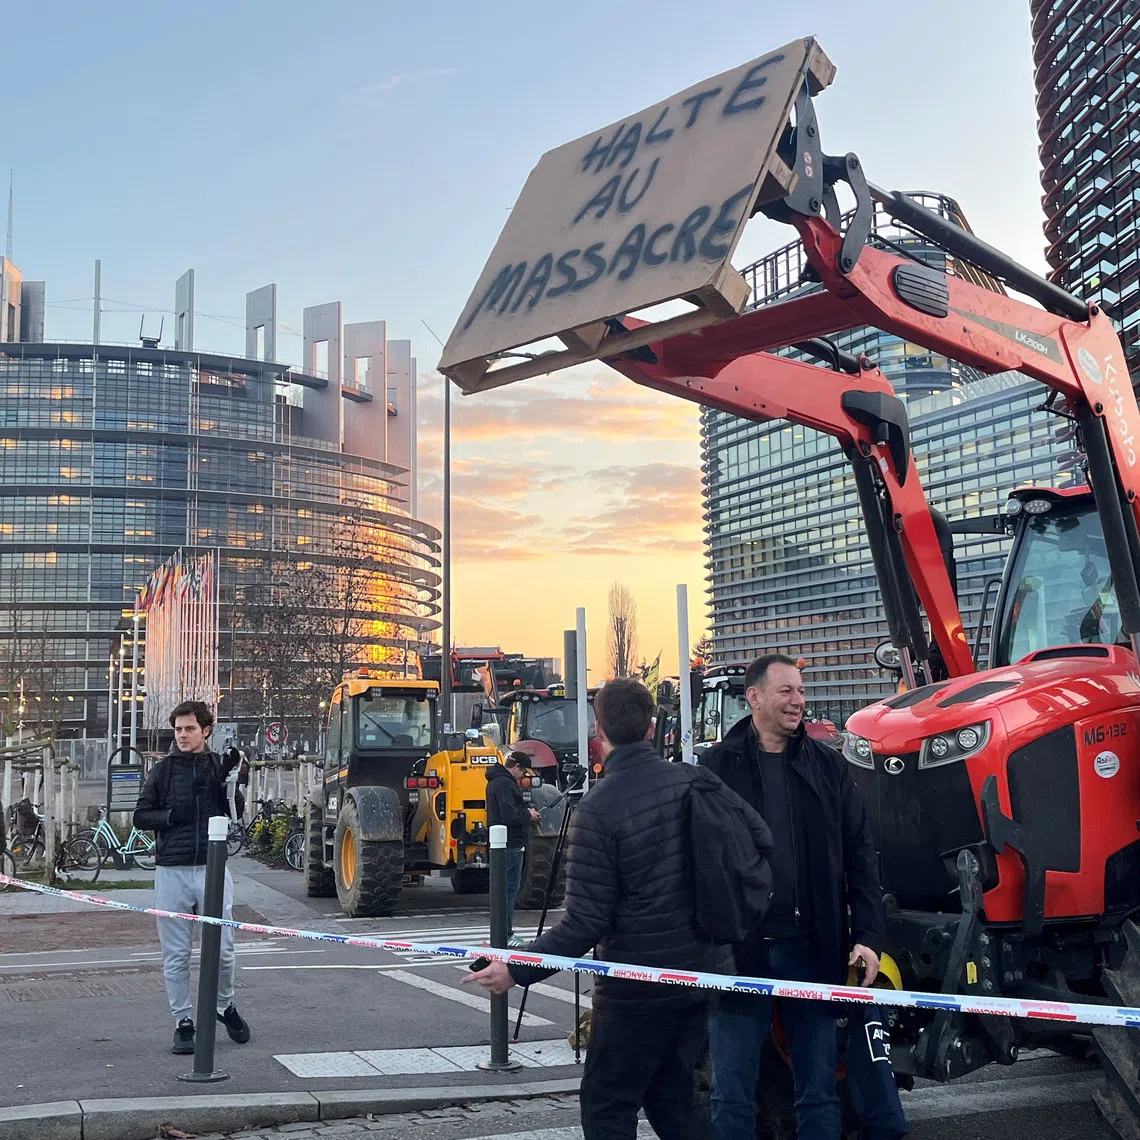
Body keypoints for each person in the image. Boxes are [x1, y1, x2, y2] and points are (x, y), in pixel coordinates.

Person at [466, 678, 741, 1140]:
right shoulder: (696, 781)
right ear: (653, 726)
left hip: (635, 986)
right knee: (674, 1100)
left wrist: (516, 970)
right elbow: (756, 847)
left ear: (600, 730)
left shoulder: (598, 808)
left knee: (607, 1108)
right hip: (699, 973)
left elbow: (584, 923)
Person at [700, 654, 904, 1140]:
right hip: (737, 953)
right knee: (730, 1093)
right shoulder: (715, 769)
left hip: (811, 949)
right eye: (787, 692)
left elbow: (861, 855)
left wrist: (868, 939)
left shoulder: (828, 767)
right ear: (754, 698)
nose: (799, 701)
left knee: (817, 1090)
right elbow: (697, 863)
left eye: (801, 691)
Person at [134, 699, 252, 1055]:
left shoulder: (217, 764)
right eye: (178, 729)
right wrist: (171, 815)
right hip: (172, 869)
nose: (182, 735)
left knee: (225, 951)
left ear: (206, 731)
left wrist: (231, 781)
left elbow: (234, 812)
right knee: (176, 953)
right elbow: (141, 815)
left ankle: (223, 1006)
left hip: (213, 868)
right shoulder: (163, 771)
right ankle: (183, 1022)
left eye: (189, 729)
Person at [485, 750, 539, 939]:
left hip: (499, 843)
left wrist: (523, 810)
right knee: (509, 890)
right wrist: (528, 814)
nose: (522, 776)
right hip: (511, 842)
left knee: (502, 889)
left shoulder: (494, 782)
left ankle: (501, 933)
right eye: (523, 772)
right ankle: (505, 934)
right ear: (516, 767)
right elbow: (510, 815)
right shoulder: (506, 784)